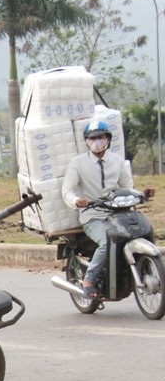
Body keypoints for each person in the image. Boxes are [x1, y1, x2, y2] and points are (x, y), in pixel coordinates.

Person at [62, 120, 155, 299]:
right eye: (92, 138)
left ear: (108, 139)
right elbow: (67, 190)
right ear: (87, 141)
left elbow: (127, 187)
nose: (97, 141)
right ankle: (88, 281)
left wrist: (143, 194)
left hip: (118, 214)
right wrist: (77, 201)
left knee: (143, 231)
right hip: (93, 215)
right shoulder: (78, 163)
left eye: (101, 137)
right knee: (107, 242)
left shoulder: (117, 161)